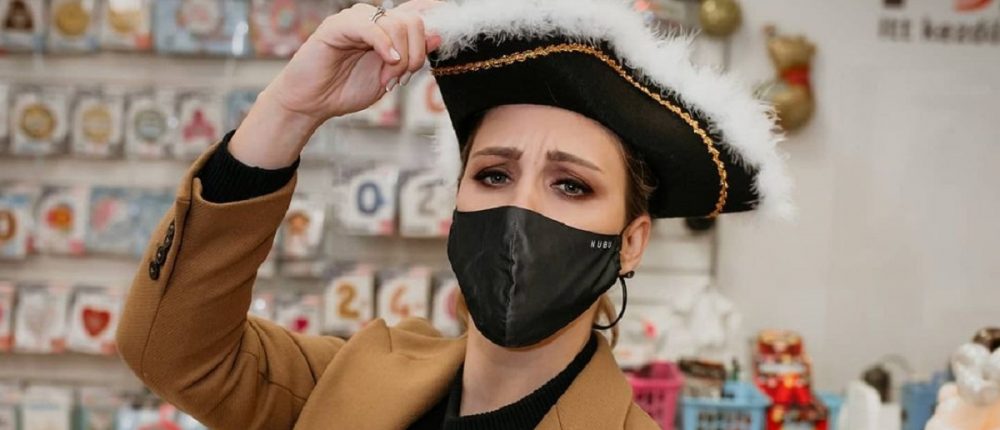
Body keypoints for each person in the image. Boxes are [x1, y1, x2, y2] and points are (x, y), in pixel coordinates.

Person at [116, 0, 791, 428]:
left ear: (632, 240)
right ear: (457, 200)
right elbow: (172, 351)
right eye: (494, 174)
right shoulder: (351, 380)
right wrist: (291, 111)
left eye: (571, 186)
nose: (520, 208)